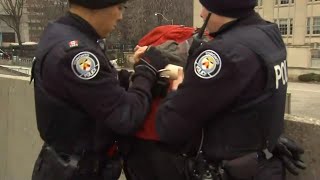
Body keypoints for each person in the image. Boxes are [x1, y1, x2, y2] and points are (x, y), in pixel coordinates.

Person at [133, 0, 304, 179]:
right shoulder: (270, 34)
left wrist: (179, 84)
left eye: (206, 7)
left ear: (219, 8)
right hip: (265, 164)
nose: (201, 14)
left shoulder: (221, 54)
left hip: (231, 170)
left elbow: (168, 126)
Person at [30, 0, 170, 180]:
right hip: (78, 171)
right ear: (98, 5)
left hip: (67, 165)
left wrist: (129, 79)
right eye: (119, 8)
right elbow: (127, 116)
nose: (120, 16)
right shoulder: (77, 56)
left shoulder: (61, 33)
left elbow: (95, 91)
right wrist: (147, 70)